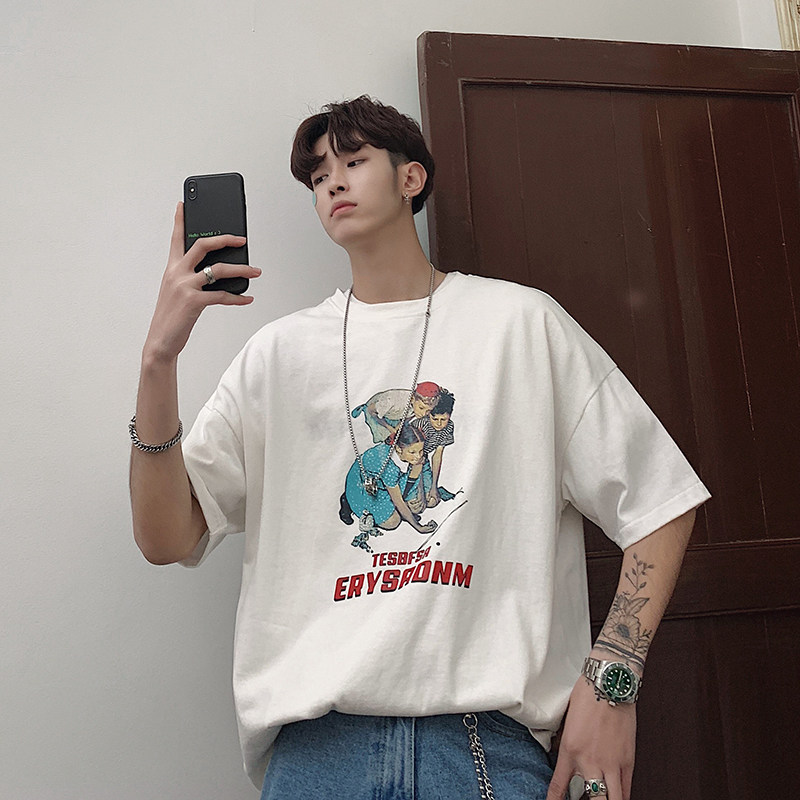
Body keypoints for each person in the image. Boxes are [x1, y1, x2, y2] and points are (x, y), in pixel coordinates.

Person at [129, 95, 710, 800]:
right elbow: (166, 537)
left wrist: (611, 682)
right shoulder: (276, 357)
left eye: (353, 161)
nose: (333, 183)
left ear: (411, 178)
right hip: (318, 755)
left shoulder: (520, 326)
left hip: (480, 748)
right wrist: (158, 359)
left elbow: (661, 503)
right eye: (318, 176)